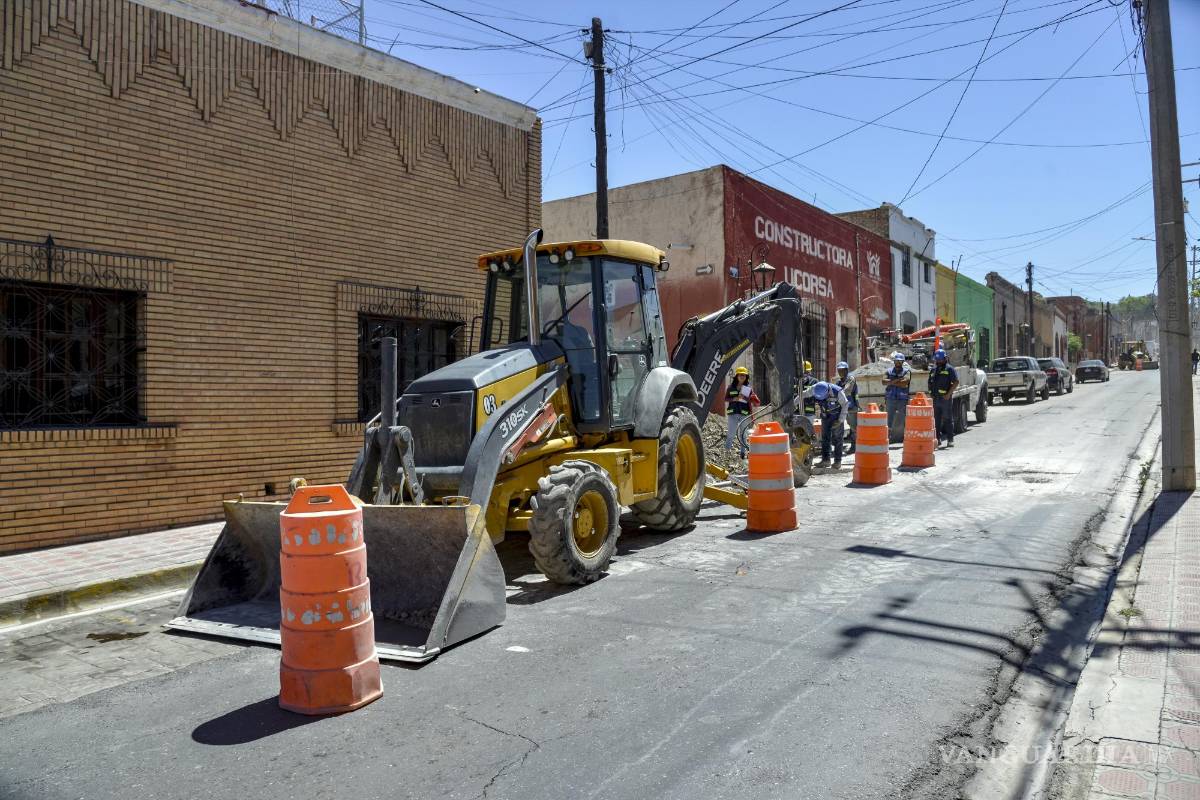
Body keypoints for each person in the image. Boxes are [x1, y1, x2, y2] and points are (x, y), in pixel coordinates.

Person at [725, 366, 760, 458]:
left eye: (744, 375)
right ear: (736, 376)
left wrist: (745, 397)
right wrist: (734, 398)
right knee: (731, 434)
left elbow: (755, 401)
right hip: (733, 414)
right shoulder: (731, 387)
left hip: (744, 414)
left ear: (746, 377)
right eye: (740, 375)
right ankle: (726, 452)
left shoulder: (748, 389)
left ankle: (742, 453)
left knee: (743, 435)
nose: (742, 377)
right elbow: (726, 398)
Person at [812, 381, 848, 469]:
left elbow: (845, 404)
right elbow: (803, 394)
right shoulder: (815, 388)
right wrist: (793, 403)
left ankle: (837, 462)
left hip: (837, 417)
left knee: (838, 439)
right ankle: (826, 460)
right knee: (825, 438)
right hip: (826, 417)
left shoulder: (838, 392)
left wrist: (840, 420)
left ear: (828, 391)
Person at [928, 348, 959, 448]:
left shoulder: (949, 369)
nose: (939, 361)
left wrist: (949, 394)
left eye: (940, 359)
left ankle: (950, 440)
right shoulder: (933, 370)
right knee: (936, 420)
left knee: (947, 419)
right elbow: (930, 383)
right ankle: (937, 440)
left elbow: (956, 382)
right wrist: (931, 393)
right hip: (936, 399)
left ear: (945, 358)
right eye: (937, 359)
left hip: (945, 399)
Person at [883, 351, 911, 443]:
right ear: (894, 361)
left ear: (903, 362)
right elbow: (883, 381)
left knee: (903, 419)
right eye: (896, 361)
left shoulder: (906, 372)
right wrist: (897, 380)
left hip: (902, 399)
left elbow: (904, 383)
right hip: (890, 399)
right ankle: (887, 438)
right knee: (888, 420)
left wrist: (891, 382)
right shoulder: (888, 371)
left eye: (900, 361)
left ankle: (904, 438)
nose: (898, 363)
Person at [834, 361, 859, 455]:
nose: (840, 372)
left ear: (846, 370)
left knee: (854, 428)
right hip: (842, 407)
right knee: (838, 427)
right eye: (839, 370)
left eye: (842, 370)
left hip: (851, 407)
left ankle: (854, 446)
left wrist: (836, 395)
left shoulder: (850, 379)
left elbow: (847, 391)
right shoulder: (839, 382)